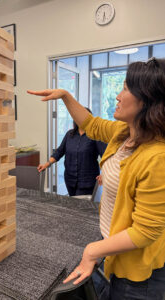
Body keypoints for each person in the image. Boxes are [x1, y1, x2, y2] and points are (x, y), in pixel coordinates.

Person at [27, 57, 165, 299]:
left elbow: (145, 231)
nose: (118, 96)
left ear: (148, 100)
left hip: (139, 274)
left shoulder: (157, 157)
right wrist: (65, 96)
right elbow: (90, 123)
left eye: (125, 88)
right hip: (114, 249)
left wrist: (93, 250)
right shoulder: (124, 133)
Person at [38, 108, 106, 196]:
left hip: (87, 181)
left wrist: (104, 173)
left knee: (80, 206)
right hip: (70, 179)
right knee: (73, 205)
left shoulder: (96, 135)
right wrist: (46, 164)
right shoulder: (69, 134)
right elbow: (59, 152)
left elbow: (106, 155)